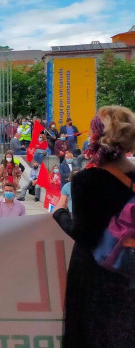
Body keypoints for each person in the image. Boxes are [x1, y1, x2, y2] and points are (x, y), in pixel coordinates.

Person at [52, 106, 135, 347]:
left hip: (92, 274)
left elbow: (84, 234)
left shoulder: (85, 180)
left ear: (96, 139)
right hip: (128, 271)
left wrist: (59, 213)